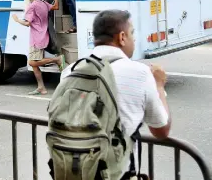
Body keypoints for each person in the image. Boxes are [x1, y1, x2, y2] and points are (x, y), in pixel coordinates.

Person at [61, 10, 171, 178]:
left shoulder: (71, 70)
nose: (134, 39)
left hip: (73, 170)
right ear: (121, 37)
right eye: (132, 33)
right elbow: (161, 130)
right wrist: (159, 85)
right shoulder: (140, 73)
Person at [12, 0, 65, 95]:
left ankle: (57, 60)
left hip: (36, 39)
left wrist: (17, 20)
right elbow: (56, 6)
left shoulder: (31, 7)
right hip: (43, 36)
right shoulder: (43, 3)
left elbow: (27, 23)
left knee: (32, 62)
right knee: (34, 64)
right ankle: (41, 87)